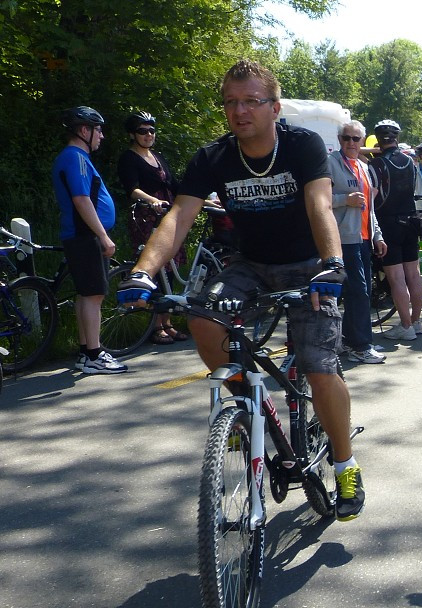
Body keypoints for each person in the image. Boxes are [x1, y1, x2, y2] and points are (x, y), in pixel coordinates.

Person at [117, 59, 364, 519]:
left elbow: (319, 205)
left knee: (319, 366)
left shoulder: (302, 145)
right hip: (250, 265)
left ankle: (346, 463)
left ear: (274, 107)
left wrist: (333, 264)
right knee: (202, 321)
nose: (240, 110)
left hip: (309, 266)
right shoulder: (213, 157)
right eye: (231, 102)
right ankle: (249, 406)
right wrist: (142, 272)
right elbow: (177, 219)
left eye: (251, 101)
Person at [53, 106, 128, 374]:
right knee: (94, 295)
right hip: (85, 236)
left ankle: (86, 352)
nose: (102, 136)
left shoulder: (73, 157)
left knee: (86, 294)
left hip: (81, 235)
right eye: (98, 130)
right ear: (85, 130)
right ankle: (96, 354)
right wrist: (103, 236)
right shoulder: (76, 158)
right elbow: (82, 199)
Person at [117, 110, 189, 346]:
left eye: (151, 130)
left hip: (168, 215)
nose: (148, 134)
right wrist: (152, 200)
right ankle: (156, 327)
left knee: (169, 269)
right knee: (155, 269)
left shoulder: (157, 157)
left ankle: (167, 323)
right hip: (147, 216)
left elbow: (175, 185)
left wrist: (203, 201)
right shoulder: (129, 158)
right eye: (142, 131)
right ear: (132, 134)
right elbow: (132, 189)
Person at [330, 120, 387, 364]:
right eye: (346, 138)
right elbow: (317, 200)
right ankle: (360, 345)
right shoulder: (331, 163)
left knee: (359, 292)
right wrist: (345, 200)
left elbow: (369, 207)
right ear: (339, 139)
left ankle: (348, 340)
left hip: (363, 238)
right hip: (343, 238)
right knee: (359, 292)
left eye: (355, 139)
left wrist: (377, 235)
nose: (351, 143)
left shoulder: (363, 167)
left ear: (363, 141)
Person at [369, 119, 422, 340]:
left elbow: (374, 196)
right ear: (397, 138)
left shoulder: (376, 164)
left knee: (396, 277)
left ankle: (405, 325)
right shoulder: (411, 161)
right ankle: (417, 321)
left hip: (388, 223)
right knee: (414, 273)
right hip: (411, 220)